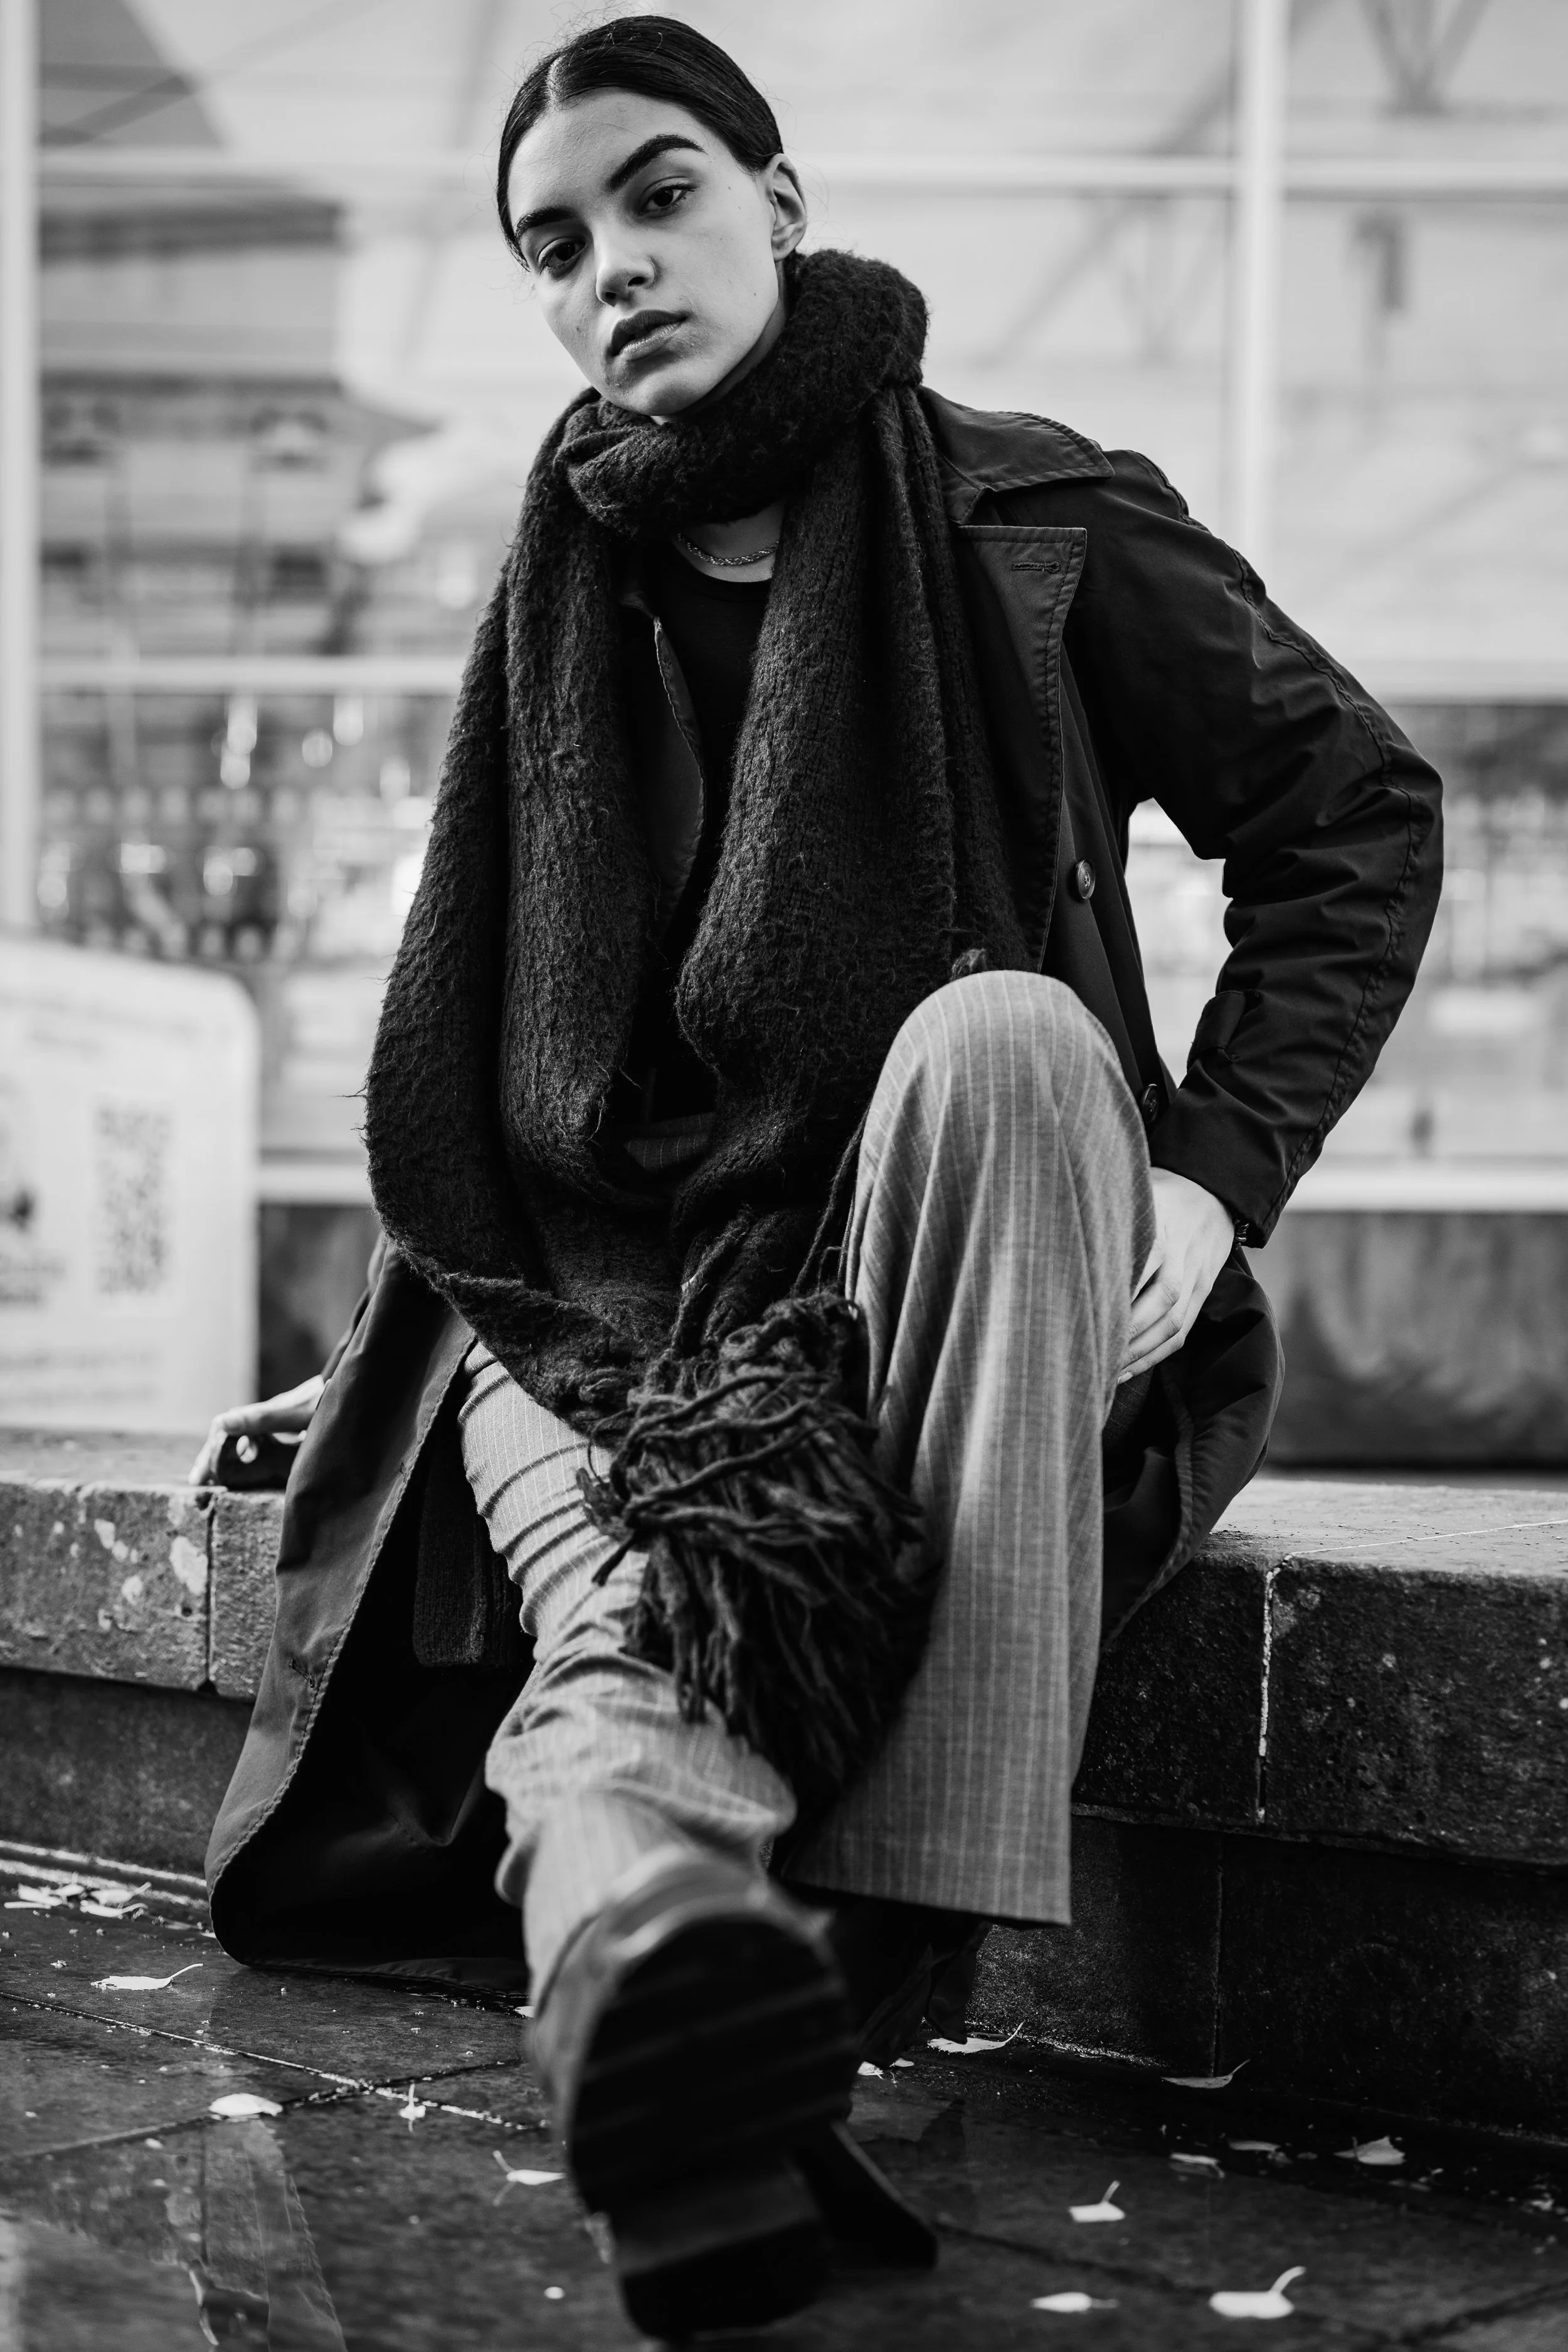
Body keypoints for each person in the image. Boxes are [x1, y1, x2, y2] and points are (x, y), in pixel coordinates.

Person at [197, 18, 1442, 2337]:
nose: (611, 277)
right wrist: (367, 1361)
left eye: (658, 199)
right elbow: (496, 1083)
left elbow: (1353, 815)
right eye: (553, 248)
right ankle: (673, 1996)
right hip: (590, 1312)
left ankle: (780, 1974)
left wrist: (1206, 1175)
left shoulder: (1036, 522)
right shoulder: (544, 611)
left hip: (951, 1267)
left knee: (997, 1040)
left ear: (781, 198)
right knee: (640, 1612)